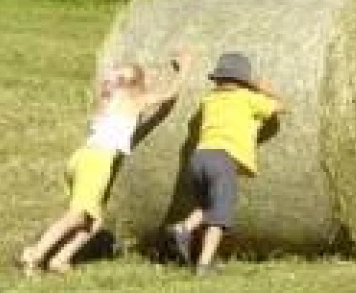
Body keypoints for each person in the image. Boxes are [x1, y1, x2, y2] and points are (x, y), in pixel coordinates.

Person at [20, 53, 189, 276]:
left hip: (82, 158)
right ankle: (35, 254)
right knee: (76, 216)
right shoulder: (133, 99)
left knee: (95, 222)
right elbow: (169, 96)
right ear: (137, 84)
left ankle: (61, 259)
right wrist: (185, 68)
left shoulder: (109, 100)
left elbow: (129, 130)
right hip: (97, 162)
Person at [167, 52, 285, 277]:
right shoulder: (249, 98)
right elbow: (281, 106)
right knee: (220, 217)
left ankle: (183, 229)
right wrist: (262, 88)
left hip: (199, 157)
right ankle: (203, 265)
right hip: (224, 160)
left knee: (208, 207)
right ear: (244, 81)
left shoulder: (209, 100)